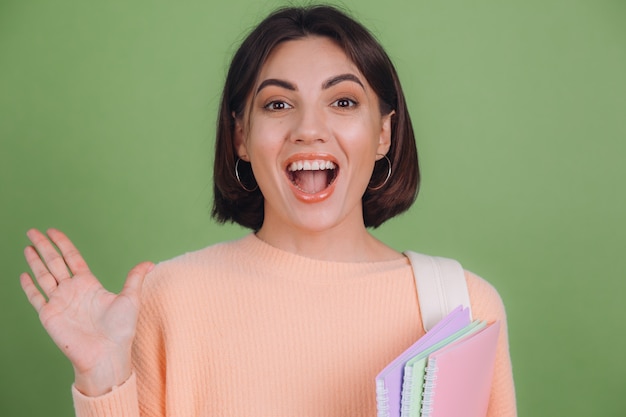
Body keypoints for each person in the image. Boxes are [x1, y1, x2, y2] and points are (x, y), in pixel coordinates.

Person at [20, 5, 516, 417]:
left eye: (343, 102)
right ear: (241, 135)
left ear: (383, 133)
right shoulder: (169, 300)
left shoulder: (461, 310)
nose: (309, 129)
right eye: (278, 105)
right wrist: (106, 379)